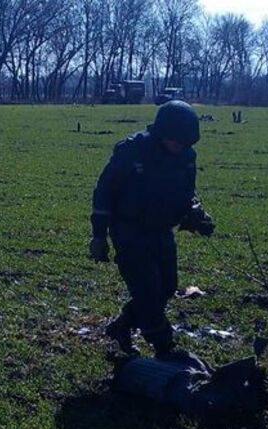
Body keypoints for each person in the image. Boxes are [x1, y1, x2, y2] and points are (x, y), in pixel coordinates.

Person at [88, 100, 215, 358]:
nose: (179, 146)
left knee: (166, 288)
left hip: (161, 230)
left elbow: (187, 193)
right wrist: (99, 235)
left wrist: (195, 214)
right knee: (146, 289)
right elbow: (104, 192)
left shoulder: (186, 158)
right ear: (161, 133)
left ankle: (122, 326)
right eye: (175, 140)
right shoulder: (132, 151)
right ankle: (163, 345)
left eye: (185, 142)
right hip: (129, 230)